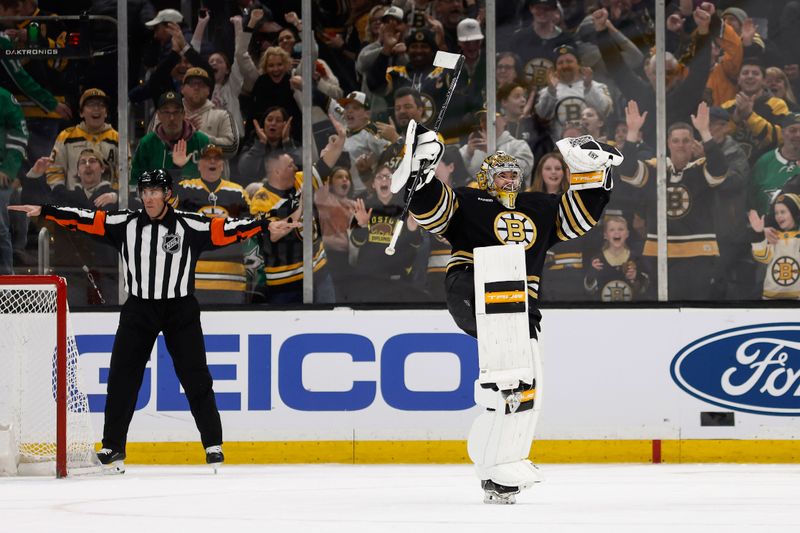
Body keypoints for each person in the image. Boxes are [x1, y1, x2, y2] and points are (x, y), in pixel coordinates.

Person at [9, 168, 299, 473]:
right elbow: (85, 218)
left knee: (196, 377)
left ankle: (213, 444)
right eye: (144, 192)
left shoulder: (191, 224)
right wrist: (46, 210)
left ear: (168, 194)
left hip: (180, 310)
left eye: (154, 192)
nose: (148, 198)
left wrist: (265, 222)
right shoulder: (126, 223)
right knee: (122, 378)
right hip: (139, 309)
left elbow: (230, 228)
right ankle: (112, 446)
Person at [396, 120, 622, 503]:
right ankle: (496, 451)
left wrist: (592, 172)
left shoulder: (540, 206)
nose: (509, 178)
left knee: (529, 382)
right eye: (500, 172)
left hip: (521, 300)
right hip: (473, 284)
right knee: (514, 378)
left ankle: (497, 469)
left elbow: (580, 216)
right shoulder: (470, 200)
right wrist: (423, 173)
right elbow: (435, 211)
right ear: (485, 176)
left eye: (515, 172)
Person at [618, 100, 729, 301]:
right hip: (660, 253)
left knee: (697, 312)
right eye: (676, 140)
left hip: (698, 255)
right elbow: (626, 172)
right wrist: (632, 133)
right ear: (668, 143)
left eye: (686, 140)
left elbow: (720, 171)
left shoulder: (701, 168)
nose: (680, 145)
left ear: (694, 143)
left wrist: (705, 132)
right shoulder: (655, 169)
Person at [172, 144, 252, 304]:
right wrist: (176, 169)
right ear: (199, 164)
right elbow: (165, 206)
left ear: (223, 165)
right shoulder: (185, 188)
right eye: (207, 158)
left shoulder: (237, 192)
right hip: (192, 279)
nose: (212, 161)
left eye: (217, 158)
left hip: (231, 280)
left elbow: (248, 230)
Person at [130, 91, 210, 186]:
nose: (172, 118)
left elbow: (211, 179)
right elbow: (136, 181)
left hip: (195, 198)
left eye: (176, 112)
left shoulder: (201, 141)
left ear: (183, 114)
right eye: (166, 112)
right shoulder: (147, 143)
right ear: (158, 115)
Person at [584, 215, 650, 302]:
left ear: (627, 234)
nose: (617, 233)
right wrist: (592, 273)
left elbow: (645, 289)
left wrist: (636, 276)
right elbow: (589, 291)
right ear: (605, 235)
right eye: (612, 230)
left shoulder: (635, 258)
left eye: (621, 229)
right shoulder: (597, 260)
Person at [749, 194, 800, 300]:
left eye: (783, 212)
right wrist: (758, 234)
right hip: (771, 297)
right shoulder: (773, 236)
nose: (779, 216)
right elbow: (762, 257)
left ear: (794, 212)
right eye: (776, 213)